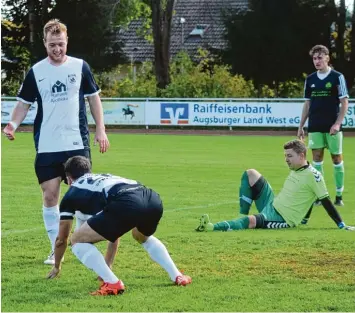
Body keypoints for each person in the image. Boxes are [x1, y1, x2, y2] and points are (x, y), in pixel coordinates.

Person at [2, 19, 110, 265]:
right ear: (45, 43)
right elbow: (23, 104)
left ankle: (82, 241)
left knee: (83, 195)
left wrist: (101, 130)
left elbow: (94, 100)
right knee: (50, 196)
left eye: (61, 44)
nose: (57, 49)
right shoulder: (36, 72)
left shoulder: (80, 67)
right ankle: (55, 247)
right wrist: (13, 124)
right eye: (52, 45)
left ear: (67, 41)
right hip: (48, 144)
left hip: (76, 142)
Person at [46, 156, 192, 295]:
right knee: (141, 236)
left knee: (76, 240)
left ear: (69, 178)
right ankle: (178, 276)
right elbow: (114, 230)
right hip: (151, 198)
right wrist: (108, 264)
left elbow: (61, 239)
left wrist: (57, 266)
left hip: (127, 202)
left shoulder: (73, 192)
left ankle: (112, 282)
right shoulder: (104, 177)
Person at [195, 139, 354, 232]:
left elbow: (325, 201)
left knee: (250, 221)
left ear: (302, 156)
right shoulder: (296, 168)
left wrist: (341, 225)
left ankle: (211, 227)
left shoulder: (314, 176)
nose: (286, 159)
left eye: (289, 156)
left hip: (281, 218)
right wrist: (305, 219)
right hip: (272, 203)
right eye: (285, 156)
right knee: (251, 174)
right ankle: (242, 213)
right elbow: (311, 197)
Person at [297, 44, 348, 206]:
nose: (317, 61)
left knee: (336, 158)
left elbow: (344, 102)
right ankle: (321, 195)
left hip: (332, 126)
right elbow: (307, 104)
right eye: (314, 58)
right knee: (317, 159)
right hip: (315, 125)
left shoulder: (337, 77)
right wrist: (301, 125)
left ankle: (339, 196)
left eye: (320, 58)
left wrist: (338, 123)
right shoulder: (310, 79)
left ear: (327, 58)